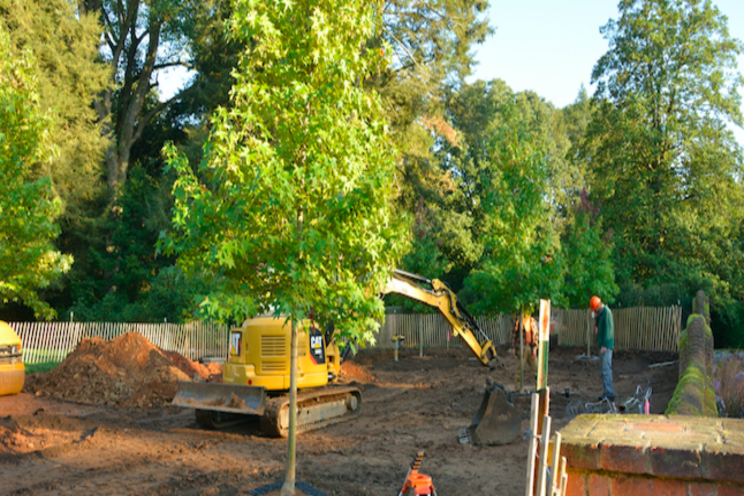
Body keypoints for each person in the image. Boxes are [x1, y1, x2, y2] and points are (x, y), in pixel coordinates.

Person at [590, 296, 615, 402]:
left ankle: (610, 394)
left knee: (606, 369)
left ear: (598, 306)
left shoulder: (607, 313)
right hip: (602, 345)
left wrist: (604, 345)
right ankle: (606, 392)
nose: (595, 311)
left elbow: (608, 330)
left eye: (595, 310)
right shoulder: (601, 314)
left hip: (607, 346)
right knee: (603, 370)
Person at [511, 313, 538, 392]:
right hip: (522, 348)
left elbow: (535, 336)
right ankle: (518, 388)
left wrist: (535, 348)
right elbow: (513, 334)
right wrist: (513, 347)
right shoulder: (518, 321)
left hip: (530, 347)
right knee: (520, 369)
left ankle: (538, 388)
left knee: (536, 368)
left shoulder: (533, 321)